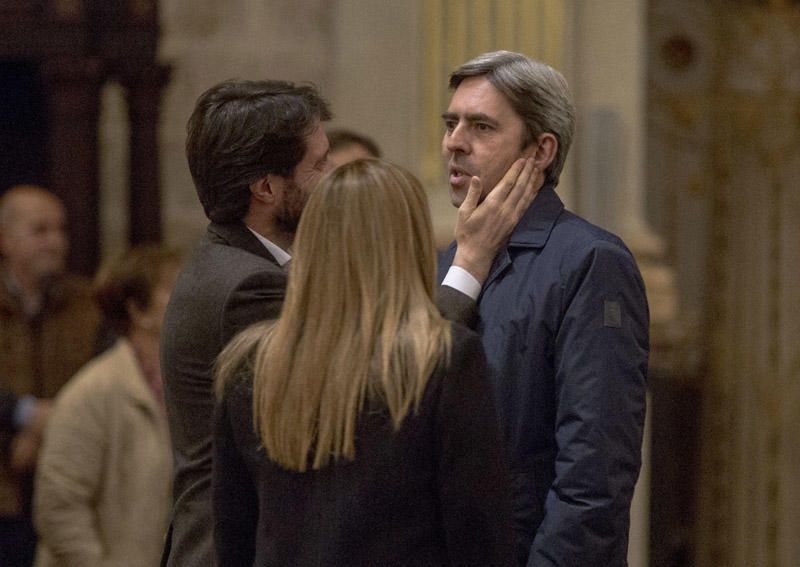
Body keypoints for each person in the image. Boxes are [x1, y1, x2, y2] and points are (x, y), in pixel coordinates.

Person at [161, 78, 538, 566]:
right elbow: (377, 368)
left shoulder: (230, 262)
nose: (333, 176)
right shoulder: (249, 288)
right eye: (320, 164)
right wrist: (467, 264)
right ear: (267, 187)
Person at [213, 158, 515, 566]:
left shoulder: (250, 364)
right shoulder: (442, 359)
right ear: (408, 243)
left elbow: (234, 537)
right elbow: (478, 536)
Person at [438, 50, 649, 566]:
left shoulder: (591, 261)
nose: (454, 142)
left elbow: (594, 474)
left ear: (540, 150)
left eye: (481, 126)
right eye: (451, 123)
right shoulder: (451, 260)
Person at [33, 244, 180, 567]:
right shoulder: (93, 393)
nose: (192, 299)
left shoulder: (188, 387)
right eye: (174, 289)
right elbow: (60, 506)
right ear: (138, 312)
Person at [0, 185, 102, 567]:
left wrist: (50, 426)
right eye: (40, 230)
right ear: (5, 240)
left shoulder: (86, 304)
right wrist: (22, 416)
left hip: (69, 480)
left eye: (60, 230)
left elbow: (102, 377)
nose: (55, 241)